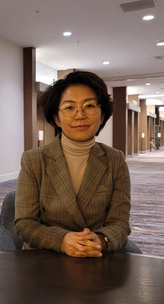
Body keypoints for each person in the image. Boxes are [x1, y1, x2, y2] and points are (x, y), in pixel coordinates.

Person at [14, 71, 131, 258]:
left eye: (89, 105)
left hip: (96, 255)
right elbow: (24, 223)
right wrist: (61, 240)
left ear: (102, 116)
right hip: (45, 256)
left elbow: (120, 223)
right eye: (69, 107)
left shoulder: (115, 160)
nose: (80, 115)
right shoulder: (33, 160)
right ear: (57, 118)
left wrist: (100, 240)